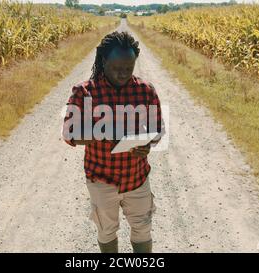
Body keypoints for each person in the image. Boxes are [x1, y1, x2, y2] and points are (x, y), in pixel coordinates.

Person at [62, 31, 165, 253]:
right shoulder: (84, 92)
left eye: (129, 68)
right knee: (106, 230)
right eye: (117, 68)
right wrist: (104, 133)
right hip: (101, 180)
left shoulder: (145, 91)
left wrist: (148, 144)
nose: (123, 74)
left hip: (136, 178)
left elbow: (158, 129)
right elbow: (69, 133)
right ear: (103, 61)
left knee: (142, 229)